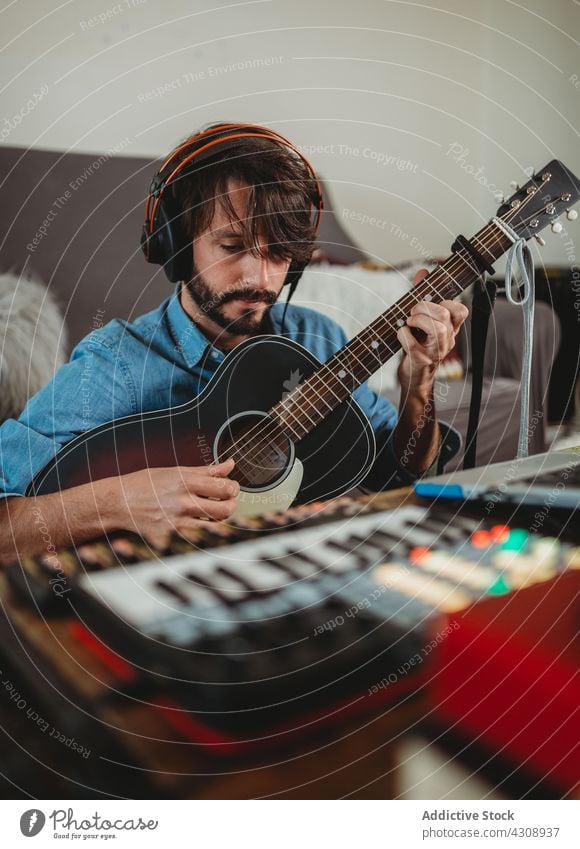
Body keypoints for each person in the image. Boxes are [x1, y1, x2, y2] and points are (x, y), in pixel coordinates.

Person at [0, 123, 467, 563]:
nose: (258, 279)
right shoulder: (116, 365)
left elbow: (403, 470)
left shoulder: (317, 338)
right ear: (177, 244)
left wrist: (418, 385)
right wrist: (119, 502)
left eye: (279, 254)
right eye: (231, 246)